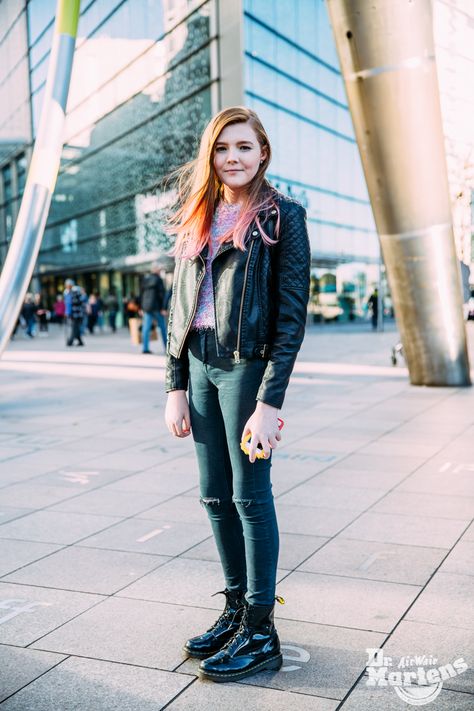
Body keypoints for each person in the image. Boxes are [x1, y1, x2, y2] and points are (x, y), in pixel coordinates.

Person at [164, 107, 310, 683]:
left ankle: (260, 629)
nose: (233, 157)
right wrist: (174, 384)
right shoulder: (198, 217)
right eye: (223, 148)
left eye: (244, 147)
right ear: (211, 156)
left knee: (250, 495)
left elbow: (290, 317)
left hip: (248, 370)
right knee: (213, 495)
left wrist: (270, 402)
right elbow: (177, 308)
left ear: (263, 152)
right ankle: (233, 609)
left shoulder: (283, 217)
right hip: (199, 364)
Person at [140, 265, 167, 353]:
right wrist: (164, 307)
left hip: (147, 307)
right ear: (157, 270)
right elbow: (162, 294)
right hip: (157, 307)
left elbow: (142, 294)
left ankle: (145, 348)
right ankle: (167, 348)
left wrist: (141, 307)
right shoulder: (158, 280)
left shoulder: (145, 279)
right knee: (163, 327)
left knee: (146, 328)